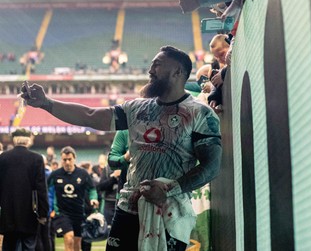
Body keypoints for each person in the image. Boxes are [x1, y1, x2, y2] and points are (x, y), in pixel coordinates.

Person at [20, 45, 222, 251]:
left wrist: (170, 190)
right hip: (128, 208)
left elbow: (211, 166)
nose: (150, 71)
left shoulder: (200, 114)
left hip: (170, 212)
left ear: (178, 71)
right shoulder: (137, 108)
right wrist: (46, 103)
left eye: (157, 65)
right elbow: (90, 115)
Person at [0, 128, 49, 251]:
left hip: (8, 214)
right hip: (29, 214)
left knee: (9, 246)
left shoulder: (3, 158)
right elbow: (41, 189)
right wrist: (43, 213)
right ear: (28, 140)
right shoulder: (36, 159)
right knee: (29, 245)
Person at [47, 146, 99, 251]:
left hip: (79, 213)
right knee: (69, 237)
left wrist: (93, 199)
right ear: (61, 160)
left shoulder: (83, 174)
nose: (67, 162)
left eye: (69, 159)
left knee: (77, 244)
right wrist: (50, 208)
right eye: (64, 160)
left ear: (74, 158)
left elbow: (92, 189)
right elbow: (47, 191)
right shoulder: (55, 175)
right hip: (62, 213)